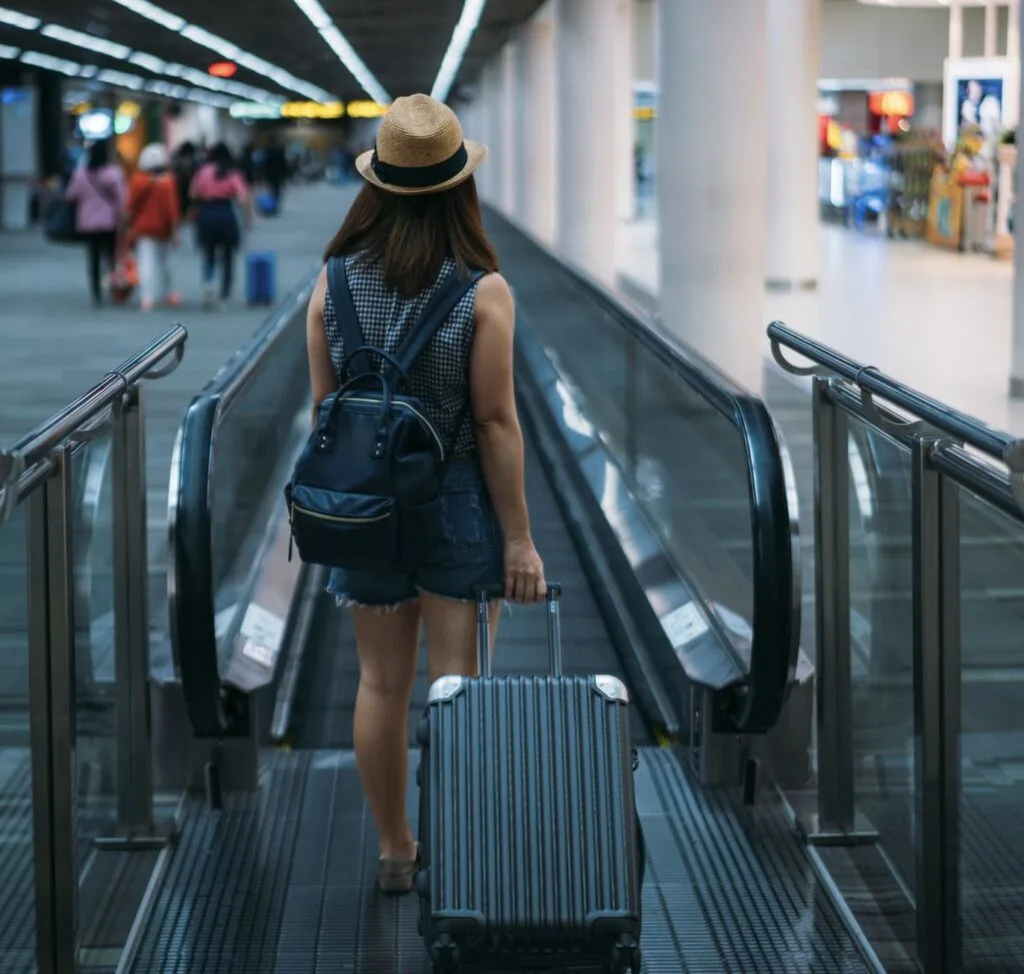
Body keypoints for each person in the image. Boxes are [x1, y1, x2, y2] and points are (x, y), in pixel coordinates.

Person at [304, 94, 546, 894]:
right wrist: (519, 539)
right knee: (457, 685)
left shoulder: (331, 283)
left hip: (365, 506)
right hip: (455, 506)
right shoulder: (483, 292)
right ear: (459, 189)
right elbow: (496, 423)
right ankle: (462, 849)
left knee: (380, 685)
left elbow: (323, 413)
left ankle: (396, 851)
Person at [189, 142, 251, 308]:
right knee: (228, 256)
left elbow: (193, 193)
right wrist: (248, 219)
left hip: (207, 212)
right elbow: (243, 197)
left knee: (208, 253)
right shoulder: (232, 172)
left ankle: (209, 283)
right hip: (226, 213)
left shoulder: (203, 171)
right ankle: (224, 294)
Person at [64, 139, 125, 306]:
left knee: (93, 258)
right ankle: (114, 287)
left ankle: (96, 291)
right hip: (109, 221)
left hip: (88, 222)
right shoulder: (113, 173)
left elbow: (70, 195)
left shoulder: (80, 174)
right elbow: (122, 199)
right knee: (111, 257)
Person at [125, 143, 182, 312]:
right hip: (163, 229)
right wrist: (174, 230)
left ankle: (146, 298)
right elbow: (172, 210)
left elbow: (130, 207)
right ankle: (167, 293)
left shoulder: (137, 181)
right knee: (165, 264)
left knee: (146, 263)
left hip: (143, 228)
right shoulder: (168, 182)